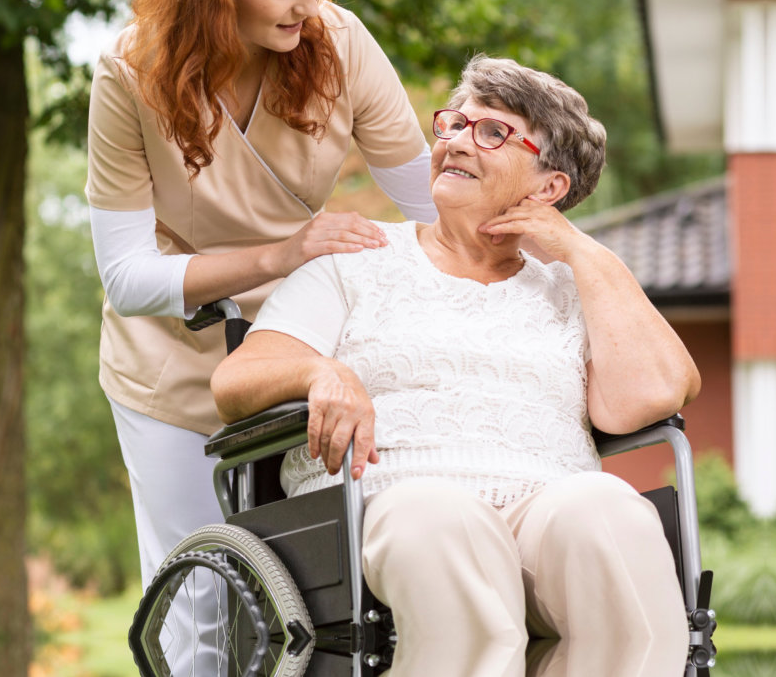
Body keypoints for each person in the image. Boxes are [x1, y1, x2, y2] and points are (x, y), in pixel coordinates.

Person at [211, 54, 699, 677]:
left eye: (490, 132)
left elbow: (651, 397)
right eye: (452, 125)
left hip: (542, 508)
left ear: (549, 187)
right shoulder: (359, 257)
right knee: (445, 520)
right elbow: (233, 383)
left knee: (609, 508)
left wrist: (581, 252)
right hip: (389, 503)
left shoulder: (575, 290)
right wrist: (319, 373)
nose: (455, 143)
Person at [85, 0, 438, 604]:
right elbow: (126, 275)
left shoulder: (339, 46)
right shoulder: (127, 76)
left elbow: (433, 203)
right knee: (202, 603)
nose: (307, 3)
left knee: (318, 594)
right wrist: (283, 251)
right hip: (170, 363)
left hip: (300, 345)